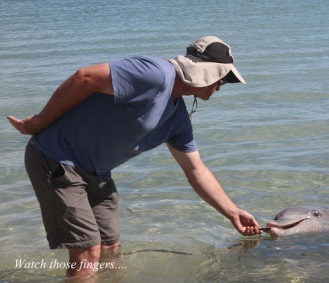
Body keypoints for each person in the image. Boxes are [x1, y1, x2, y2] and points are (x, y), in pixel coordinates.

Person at [7, 35, 261, 280]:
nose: (220, 87)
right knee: (87, 253)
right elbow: (85, 77)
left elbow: (196, 171)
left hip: (98, 174)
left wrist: (232, 212)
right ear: (206, 72)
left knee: (111, 250)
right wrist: (39, 122)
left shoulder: (178, 120)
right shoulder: (154, 74)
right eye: (221, 79)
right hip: (56, 159)